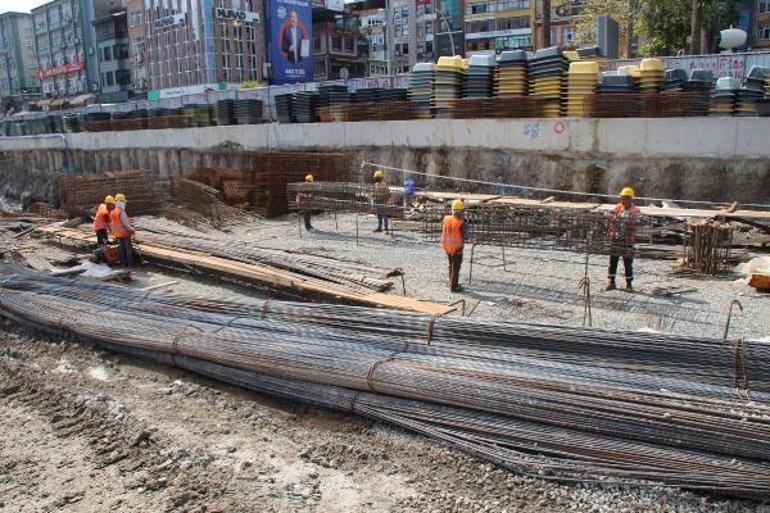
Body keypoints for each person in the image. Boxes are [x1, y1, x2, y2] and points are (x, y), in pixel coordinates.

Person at [606, 187, 643, 291]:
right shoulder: (618, 207)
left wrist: (631, 222)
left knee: (627, 262)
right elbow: (610, 215)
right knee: (613, 261)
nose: (623, 200)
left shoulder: (635, 210)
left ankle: (629, 284)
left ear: (630, 199)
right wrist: (610, 216)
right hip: (616, 238)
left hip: (627, 240)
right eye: (622, 198)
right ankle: (611, 282)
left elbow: (640, 221)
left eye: (625, 198)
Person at [441, 199, 468, 293]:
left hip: (447, 246)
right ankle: (454, 286)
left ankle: (450, 281)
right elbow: (466, 236)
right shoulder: (461, 223)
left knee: (450, 265)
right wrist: (466, 224)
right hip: (457, 248)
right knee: (456, 267)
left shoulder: (446, 219)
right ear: (461, 211)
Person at [110, 193, 136, 268]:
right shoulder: (121, 211)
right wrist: (132, 229)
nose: (125, 203)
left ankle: (123, 263)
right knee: (128, 249)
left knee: (121, 248)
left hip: (117, 234)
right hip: (124, 233)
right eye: (124, 202)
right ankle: (130, 264)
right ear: (121, 202)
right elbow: (125, 224)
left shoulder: (113, 211)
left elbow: (115, 223)